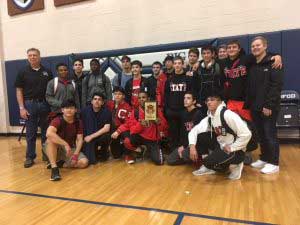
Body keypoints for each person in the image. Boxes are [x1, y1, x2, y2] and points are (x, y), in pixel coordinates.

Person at [189, 91, 252, 180]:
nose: (209, 102)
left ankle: (235, 164)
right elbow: (194, 131)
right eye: (207, 100)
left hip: (236, 150)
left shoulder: (228, 115)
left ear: (220, 102)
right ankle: (221, 165)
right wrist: (192, 146)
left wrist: (233, 147)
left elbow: (247, 134)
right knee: (200, 136)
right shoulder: (210, 117)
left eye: (212, 100)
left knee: (207, 162)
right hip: (222, 146)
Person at [245, 36, 284, 174]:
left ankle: (274, 163)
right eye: (253, 46)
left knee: (270, 134)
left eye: (258, 45)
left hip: (268, 107)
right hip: (255, 107)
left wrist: (269, 105)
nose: (255, 48)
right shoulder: (252, 64)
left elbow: (276, 86)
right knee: (261, 135)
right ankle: (265, 158)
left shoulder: (274, 62)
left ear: (265, 46)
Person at [15, 48, 53, 168]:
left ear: (39, 57)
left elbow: (51, 89)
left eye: (34, 55)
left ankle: (47, 155)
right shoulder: (22, 72)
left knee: (45, 133)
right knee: (30, 133)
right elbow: (19, 90)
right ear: (28, 57)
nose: (32, 57)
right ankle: (30, 157)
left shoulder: (47, 71)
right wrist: (22, 108)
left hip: (45, 104)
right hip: (30, 105)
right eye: (30, 55)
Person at [113, 91, 168, 164]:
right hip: (140, 137)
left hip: (152, 139)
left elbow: (165, 126)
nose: (141, 99)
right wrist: (140, 124)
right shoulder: (135, 112)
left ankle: (152, 150)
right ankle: (138, 151)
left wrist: (159, 123)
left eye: (143, 97)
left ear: (148, 99)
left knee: (159, 162)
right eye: (139, 98)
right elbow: (132, 130)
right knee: (127, 141)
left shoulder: (156, 110)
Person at [46, 100, 88, 181]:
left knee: (84, 162)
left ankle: (61, 164)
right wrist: (65, 144)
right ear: (62, 110)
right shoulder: (57, 120)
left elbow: (79, 139)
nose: (69, 110)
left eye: (72, 108)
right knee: (50, 139)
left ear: (76, 110)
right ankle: (54, 169)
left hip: (69, 149)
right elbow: (49, 133)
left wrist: (75, 155)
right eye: (66, 108)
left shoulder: (78, 122)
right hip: (56, 147)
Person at [167, 92, 205, 165]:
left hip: (196, 144)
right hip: (185, 144)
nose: (185, 100)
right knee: (170, 160)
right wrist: (182, 146)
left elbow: (199, 135)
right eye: (184, 98)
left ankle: (199, 158)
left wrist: (185, 146)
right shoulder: (183, 113)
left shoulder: (198, 114)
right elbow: (183, 132)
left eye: (188, 98)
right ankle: (189, 159)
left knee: (184, 154)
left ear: (194, 101)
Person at [164, 56, 193, 149]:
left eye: (179, 63)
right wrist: (167, 109)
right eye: (175, 63)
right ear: (173, 65)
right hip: (172, 111)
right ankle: (174, 152)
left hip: (184, 110)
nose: (177, 65)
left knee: (184, 133)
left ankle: (184, 152)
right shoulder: (169, 80)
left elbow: (191, 93)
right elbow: (166, 95)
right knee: (173, 133)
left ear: (183, 64)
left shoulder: (188, 78)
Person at [81, 92, 112, 164]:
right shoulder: (84, 111)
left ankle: (103, 152)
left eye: (99, 99)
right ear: (91, 101)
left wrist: (91, 136)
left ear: (102, 102)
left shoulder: (106, 112)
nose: (97, 101)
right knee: (90, 158)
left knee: (107, 136)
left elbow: (106, 128)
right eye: (95, 99)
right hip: (87, 134)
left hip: (99, 135)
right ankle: (95, 153)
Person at [193, 45, 222, 114]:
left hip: (216, 102)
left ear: (212, 54)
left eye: (208, 53)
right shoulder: (197, 68)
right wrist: (197, 101)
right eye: (204, 53)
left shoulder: (219, 65)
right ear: (202, 55)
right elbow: (194, 86)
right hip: (202, 103)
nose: (206, 55)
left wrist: (220, 100)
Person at [107, 87, 131, 159]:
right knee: (116, 155)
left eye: (119, 94)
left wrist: (118, 131)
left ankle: (129, 152)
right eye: (115, 94)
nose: (117, 96)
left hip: (123, 130)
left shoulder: (128, 107)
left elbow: (128, 123)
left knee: (127, 136)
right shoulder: (109, 104)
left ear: (123, 96)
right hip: (112, 130)